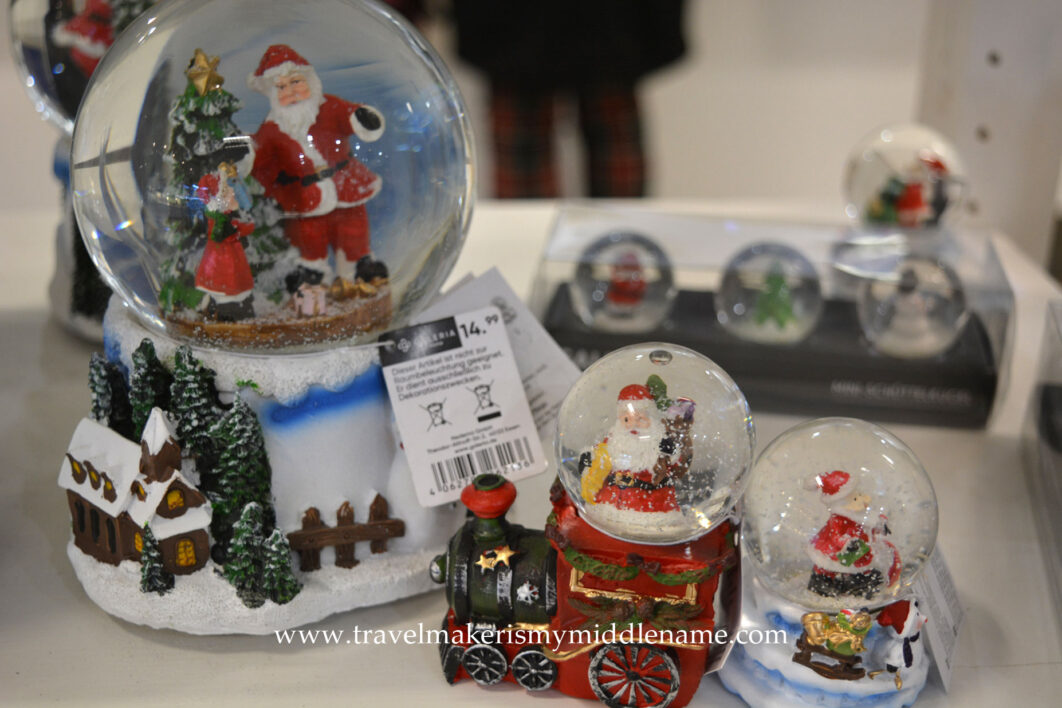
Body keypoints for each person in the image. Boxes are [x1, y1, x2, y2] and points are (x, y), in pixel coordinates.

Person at [452, 0, 686, 198]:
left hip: (610, 27)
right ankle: (529, 241)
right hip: (520, 27)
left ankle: (621, 241)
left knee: (614, 145)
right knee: (525, 162)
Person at [246, 44, 387, 291]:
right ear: (272, 93)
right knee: (309, 237)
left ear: (310, 80)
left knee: (353, 228)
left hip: (344, 184)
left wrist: (363, 118)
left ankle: (359, 268)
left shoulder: (328, 107)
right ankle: (312, 274)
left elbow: (349, 115)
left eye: (296, 82)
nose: (291, 92)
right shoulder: (271, 128)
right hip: (303, 195)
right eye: (281, 87)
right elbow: (259, 158)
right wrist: (245, 155)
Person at [580, 379, 692, 513]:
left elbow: (677, 468)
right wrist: (588, 458)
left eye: (640, 419)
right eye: (626, 419)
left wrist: (673, 452)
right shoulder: (614, 439)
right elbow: (599, 457)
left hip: (651, 503)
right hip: (610, 502)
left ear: (651, 419)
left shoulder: (659, 443)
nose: (633, 425)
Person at [806, 470, 899, 600]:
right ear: (840, 503)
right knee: (829, 567)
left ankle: (856, 583)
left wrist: (881, 526)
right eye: (855, 498)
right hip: (836, 550)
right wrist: (848, 543)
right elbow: (835, 536)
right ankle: (823, 582)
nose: (865, 500)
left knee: (856, 568)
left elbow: (871, 526)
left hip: (860, 549)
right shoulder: (839, 519)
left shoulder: (861, 516)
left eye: (859, 494)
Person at [193, 163, 255, 321]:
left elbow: (246, 221)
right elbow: (224, 234)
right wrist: (239, 226)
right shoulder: (219, 218)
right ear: (219, 198)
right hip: (221, 259)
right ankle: (221, 312)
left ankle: (227, 307)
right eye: (227, 190)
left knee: (236, 284)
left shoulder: (230, 213)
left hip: (232, 255)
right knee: (226, 285)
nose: (233, 192)